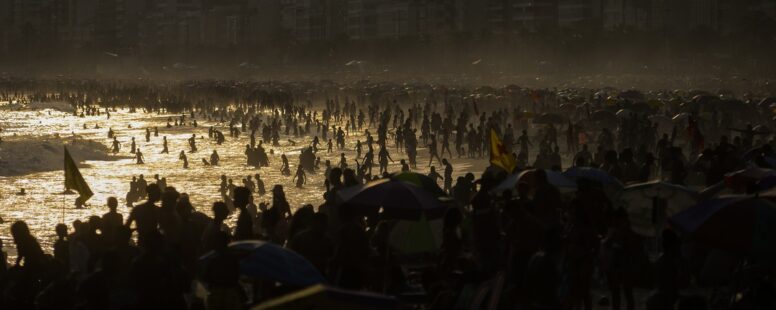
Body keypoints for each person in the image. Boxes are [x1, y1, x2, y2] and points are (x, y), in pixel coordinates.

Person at [201, 231, 242, 310]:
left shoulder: (213, 260)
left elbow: (206, 277)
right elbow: (236, 277)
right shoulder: (233, 259)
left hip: (216, 293)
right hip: (230, 294)